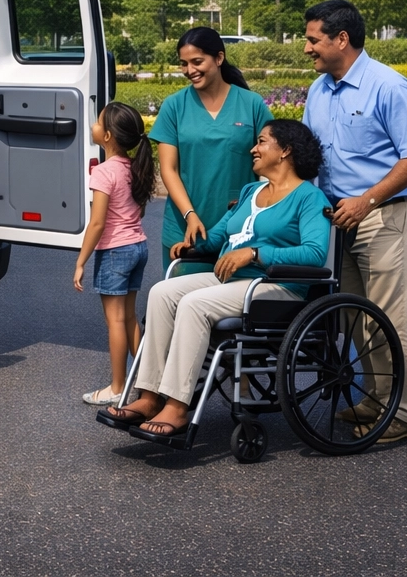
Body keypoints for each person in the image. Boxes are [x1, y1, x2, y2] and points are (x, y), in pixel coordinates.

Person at [104, 120, 330, 439]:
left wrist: (255, 253)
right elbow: (223, 235)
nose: (254, 148)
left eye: (262, 142)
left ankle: (178, 406)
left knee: (195, 305)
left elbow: (315, 253)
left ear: (285, 151)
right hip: (231, 281)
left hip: (274, 287)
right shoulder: (252, 191)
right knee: (162, 293)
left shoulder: (309, 198)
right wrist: (197, 244)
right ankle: (150, 395)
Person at [301, 0, 407, 443]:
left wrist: (368, 200)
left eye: (313, 39)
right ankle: (379, 399)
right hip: (337, 218)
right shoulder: (320, 89)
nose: (307, 49)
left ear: (342, 39)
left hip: (386, 215)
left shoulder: (389, 86)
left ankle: (405, 416)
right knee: (354, 318)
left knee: (390, 319)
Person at [150, 27, 274, 275]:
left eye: (197, 62)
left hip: (239, 230)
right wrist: (190, 215)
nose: (190, 70)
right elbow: (169, 169)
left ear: (219, 58)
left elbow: (274, 162)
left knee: (234, 308)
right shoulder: (174, 106)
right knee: (180, 303)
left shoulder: (251, 104)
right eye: (184, 64)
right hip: (185, 231)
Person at [74, 102, 155, 406]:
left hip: (115, 251)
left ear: (107, 135)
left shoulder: (104, 172)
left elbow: (97, 223)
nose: (94, 125)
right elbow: (140, 207)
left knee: (116, 321)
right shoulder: (135, 166)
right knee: (131, 317)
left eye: (98, 122)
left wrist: (81, 261)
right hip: (138, 246)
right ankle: (151, 380)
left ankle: (118, 387)